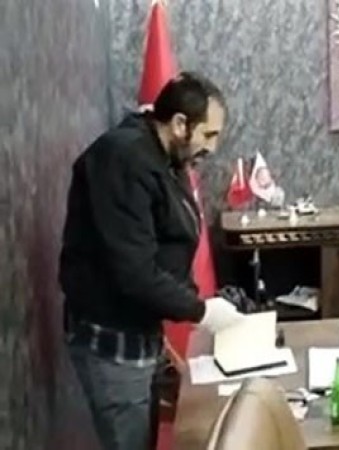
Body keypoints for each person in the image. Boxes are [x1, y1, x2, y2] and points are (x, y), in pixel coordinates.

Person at [59, 72, 245, 450]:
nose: (212, 147)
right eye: (208, 135)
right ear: (179, 124)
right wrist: (201, 311)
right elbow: (135, 272)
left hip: (141, 333)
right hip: (113, 343)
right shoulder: (125, 160)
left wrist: (195, 302)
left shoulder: (163, 156)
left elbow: (171, 240)